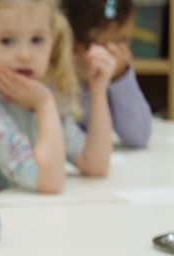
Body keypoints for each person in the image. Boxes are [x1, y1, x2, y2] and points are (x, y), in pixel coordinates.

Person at [0, 0, 115, 200]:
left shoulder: (38, 97)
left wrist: (99, 91)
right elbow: (49, 181)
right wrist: (44, 106)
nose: (25, 55)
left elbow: (95, 163)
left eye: (37, 40)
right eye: (7, 41)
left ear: (53, 42)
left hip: (23, 214)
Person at [62, 0, 152, 148]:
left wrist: (120, 78)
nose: (123, 53)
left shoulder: (116, 74)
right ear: (75, 46)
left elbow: (138, 137)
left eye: (127, 41)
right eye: (116, 43)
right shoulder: (54, 79)